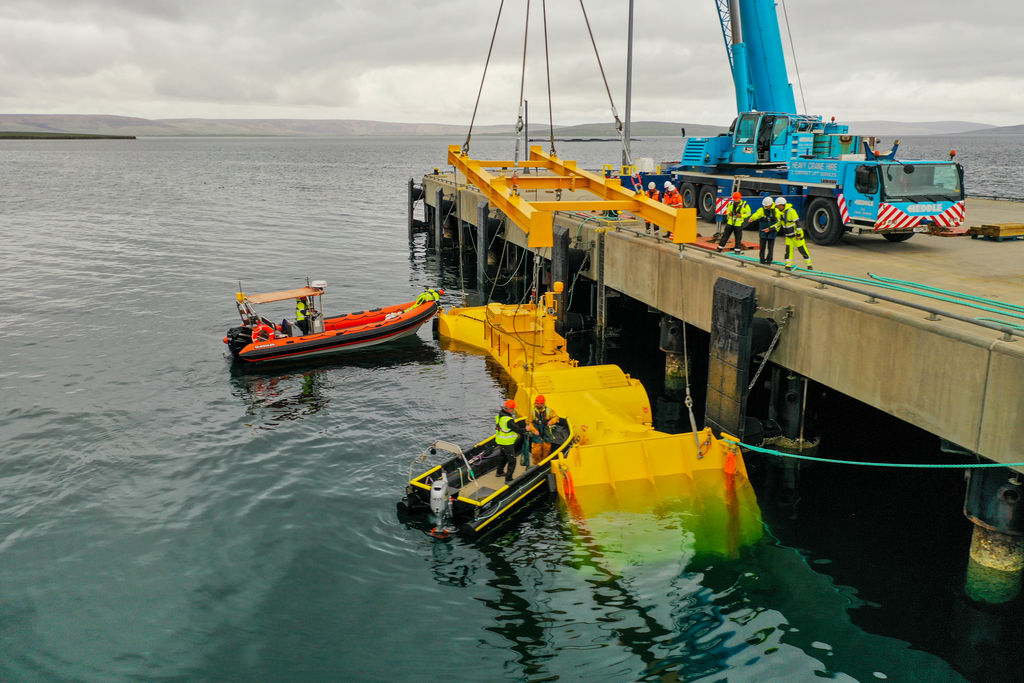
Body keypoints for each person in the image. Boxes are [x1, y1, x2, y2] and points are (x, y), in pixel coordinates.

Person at [775, 197, 813, 270]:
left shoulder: (791, 211)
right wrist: (771, 228)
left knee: (802, 250)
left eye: (778, 205)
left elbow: (798, 224)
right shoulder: (780, 213)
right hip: (788, 236)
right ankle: (788, 266)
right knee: (788, 251)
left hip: (796, 235)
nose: (777, 207)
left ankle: (809, 265)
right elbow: (778, 223)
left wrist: (799, 234)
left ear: (781, 205)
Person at [494, 399, 526, 483]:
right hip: (507, 443)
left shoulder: (500, 415)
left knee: (503, 456)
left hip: (501, 441)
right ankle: (509, 479)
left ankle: (499, 472)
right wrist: (526, 429)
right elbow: (518, 430)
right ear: (510, 409)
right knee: (512, 461)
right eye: (513, 409)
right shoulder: (508, 420)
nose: (513, 410)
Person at [745, 196, 778, 264]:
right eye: (765, 206)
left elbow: (779, 220)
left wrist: (772, 228)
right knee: (762, 247)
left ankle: (769, 261)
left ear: (771, 204)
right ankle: (762, 260)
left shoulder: (776, 211)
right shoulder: (761, 210)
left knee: (770, 248)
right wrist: (752, 218)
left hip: (772, 231)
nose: (766, 207)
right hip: (763, 231)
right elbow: (757, 214)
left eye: (767, 206)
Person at [526, 395, 559, 465]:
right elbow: (529, 422)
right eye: (537, 403)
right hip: (536, 432)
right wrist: (534, 430)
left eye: (541, 403)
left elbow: (556, 417)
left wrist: (551, 421)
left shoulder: (549, 410)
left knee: (547, 448)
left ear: (543, 403)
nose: (539, 405)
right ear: (535, 403)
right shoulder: (532, 411)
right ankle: (536, 464)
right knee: (536, 451)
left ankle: (545, 463)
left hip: (546, 431)